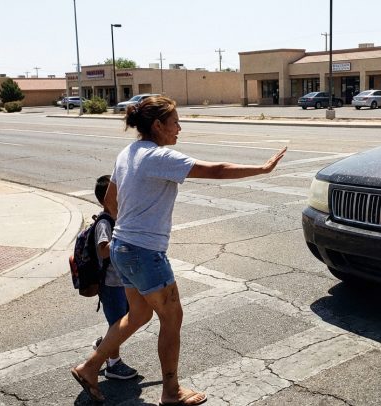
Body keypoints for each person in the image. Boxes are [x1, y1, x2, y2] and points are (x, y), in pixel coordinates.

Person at [71, 95, 286, 404]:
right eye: (174, 123)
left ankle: (90, 367)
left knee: (138, 315)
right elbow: (216, 170)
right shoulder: (158, 158)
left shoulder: (127, 153)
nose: (179, 129)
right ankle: (171, 392)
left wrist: (133, 222)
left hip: (122, 247)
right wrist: (263, 168)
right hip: (144, 252)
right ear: (157, 125)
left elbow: (109, 203)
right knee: (172, 317)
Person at [91, 175, 138, 380]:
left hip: (123, 280)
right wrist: (122, 239)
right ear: (106, 199)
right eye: (117, 194)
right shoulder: (104, 222)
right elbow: (103, 250)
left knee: (125, 318)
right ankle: (113, 365)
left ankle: (105, 344)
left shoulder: (119, 218)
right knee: (117, 323)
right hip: (110, 283)